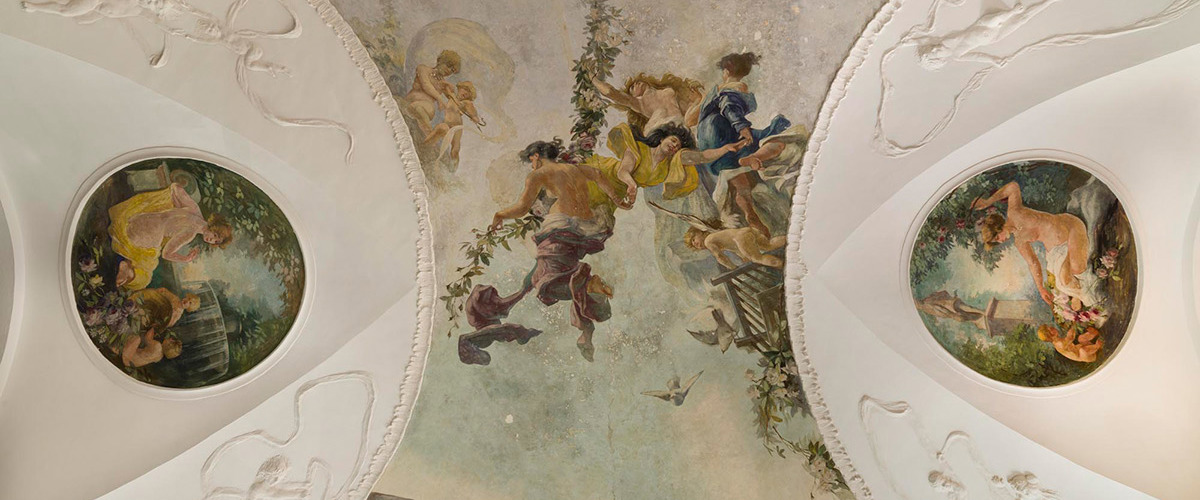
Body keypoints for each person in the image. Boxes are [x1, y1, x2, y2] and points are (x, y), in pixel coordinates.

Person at [461, 139, 623, 365]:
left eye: (531, 161)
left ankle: (588, 288)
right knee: (542, 274)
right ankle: (584, 327)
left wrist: (500, 215)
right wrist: (617, 198)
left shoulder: (538, 174)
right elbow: (598, 174)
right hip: (586, 229)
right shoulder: (576, 169)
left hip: (560, 228)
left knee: (546, 284)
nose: (532, 165)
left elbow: (522, 208)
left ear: (536, 156)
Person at [695, 52, 791, 237]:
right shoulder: (736, 87)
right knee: (770, 139)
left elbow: (699, 116)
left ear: (726, 71)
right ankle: (750, 207)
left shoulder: (716, 90)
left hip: (709, 140)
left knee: (736, 175)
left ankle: (749, 212)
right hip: (723, 134)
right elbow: (729, 106)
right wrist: (742, 127)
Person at [972, 181, 1092, 306]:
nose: (1000, 241)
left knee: (1078, 268)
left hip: (1070, 227)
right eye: (996, 241)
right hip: (1058, 251)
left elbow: (1013, 187)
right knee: (1064, 281)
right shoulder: (1019, 241)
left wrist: (988, 202)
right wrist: (1041, 289)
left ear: (998, 227)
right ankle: (1079, 296)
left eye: (997, 237)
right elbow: (1033, 263)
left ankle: (1081, 294)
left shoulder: (1014, 212)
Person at [584, 122, 745, 209]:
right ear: (662, 138)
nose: (674, 146)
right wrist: (632, 185)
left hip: (616, 192)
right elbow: (623, 171)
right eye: (673, 140)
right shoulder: (640, 149)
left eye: (677, 147)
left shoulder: (669, 164)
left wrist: (725, 149)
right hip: (601, 174)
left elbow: (702, 156)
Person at [108, 183, 233, 291]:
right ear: (213, 227)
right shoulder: (190, 233)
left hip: (141, 218)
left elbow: (175, 187)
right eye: (215, 235)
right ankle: (126, 266)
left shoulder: (194, 209)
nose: (211, 240)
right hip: (145, 233)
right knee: (146, 274)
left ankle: (126, 265)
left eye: (215, 241)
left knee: (149, 256)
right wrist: (185, 259)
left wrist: (176, 207)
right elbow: (166, 254)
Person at [591, 72, 704, 137]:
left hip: (680, 125)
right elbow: (610, 92)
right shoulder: (639, 102)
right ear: (633, 95)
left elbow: (684, 110)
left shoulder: (667, 90)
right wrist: (593, 79)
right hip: (659, 129)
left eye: (636, 83)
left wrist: (697, 101)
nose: (636, 84)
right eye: (632, 87)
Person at [403, 49, 462, 135]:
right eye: (448, 65)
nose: (449, 70)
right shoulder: (423, 69)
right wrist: (439, 98)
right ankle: (430, 133)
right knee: (415, 107)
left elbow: (453, 99)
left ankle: (429, 133)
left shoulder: (444, 84)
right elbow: (426, 85)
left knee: (418, 108)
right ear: (440, 61)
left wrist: (452, 91)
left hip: (427, 109)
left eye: (452, 70)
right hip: (411, 100)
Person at [423, 81, 486, 161]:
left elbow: (473, 113)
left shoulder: (466, 102)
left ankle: (453, 166)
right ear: (459, 88)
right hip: (447, 124)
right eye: (465, 89)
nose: (466, 93)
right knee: (440, 129)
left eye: (469, 92)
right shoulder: (451, 96)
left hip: (456, 127)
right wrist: (446, 86)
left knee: (455, 150)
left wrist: (475, 118)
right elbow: (443, 87)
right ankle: (424, 148)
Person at [684, 225, 786, 269]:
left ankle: (783, 265)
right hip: (746, 231)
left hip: (741, 238)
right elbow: (734, 246)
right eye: (693, 245)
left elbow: (720, 257)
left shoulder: (708, 241)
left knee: (757, 258)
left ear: (699, 232)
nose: (695, 244)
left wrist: (732, 267)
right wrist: (743, 256)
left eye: (693, 239)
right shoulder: (715, 235)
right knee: (769, 245)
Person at [131, 287, 200, 329]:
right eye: (188, 298)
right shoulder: (175, 298)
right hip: (151, 304)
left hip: (153, 315)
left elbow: (167, 323)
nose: (187, 301)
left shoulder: (177, 315)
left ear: (189, 308)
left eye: (190, 303)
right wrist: (158, 295)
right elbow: (163, 290)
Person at [1037, 324, 1102, 363]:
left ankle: (1095, 333)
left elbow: (1070, 338)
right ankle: (1098, 346)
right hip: (1086, 356)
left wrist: (1072, 328)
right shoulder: (1059, 344)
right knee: (1082, 350)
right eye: (1051, 329)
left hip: (1083, 349)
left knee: (1080, 338)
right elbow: (1070, 338)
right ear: (1051, 335)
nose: (1053, 328)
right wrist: (1073, 327)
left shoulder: (1058, 341)